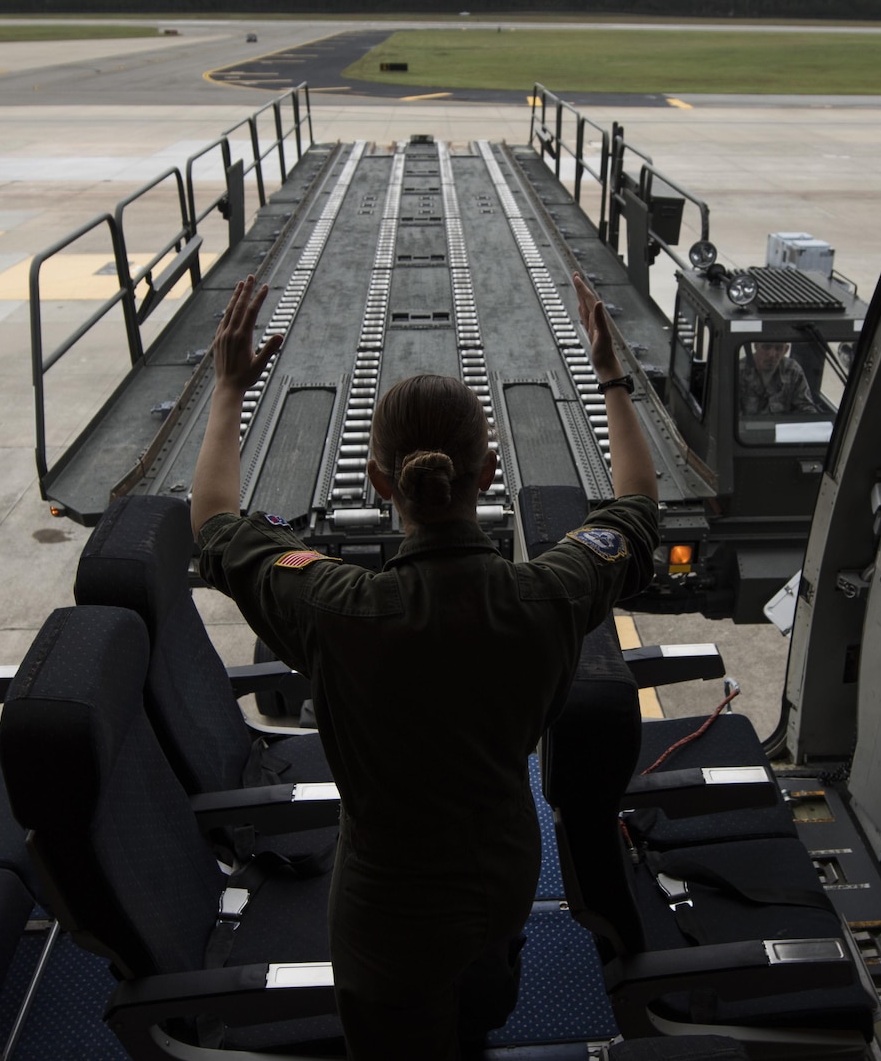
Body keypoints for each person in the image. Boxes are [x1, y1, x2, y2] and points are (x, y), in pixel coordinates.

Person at [190, 271, 658, 1060]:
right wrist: (610, 376)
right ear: (490, 474)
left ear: (379, 483)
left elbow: (212, 523)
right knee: (479, 1015)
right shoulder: (547, 595)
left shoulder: (335, 607)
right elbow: (637, 511)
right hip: (503, 875)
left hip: (387, 916)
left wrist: (229, 388)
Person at [736, 340, 818, 415]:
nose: (772, 354)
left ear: (785, 350)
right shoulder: (738, 371)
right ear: (756, 346)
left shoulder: (792, 371)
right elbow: (731, 414)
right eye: (766, 347)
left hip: (783, 429)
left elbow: (807, 408)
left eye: (779, 348)